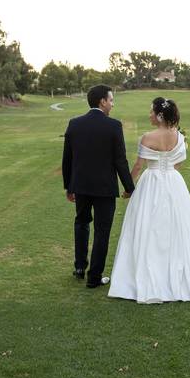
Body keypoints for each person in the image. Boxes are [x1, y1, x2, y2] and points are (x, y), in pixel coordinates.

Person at [108, 97, 190, 303]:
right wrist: (168, 173)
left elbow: (139, 166)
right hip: (174, 183)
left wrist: (129, 188)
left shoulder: (147, 137)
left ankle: (148, 272)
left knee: (148, 227)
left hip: (151, 182)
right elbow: (178, 163)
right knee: (179, 226)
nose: (149, 115)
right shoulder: (180, 137)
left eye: (151, 112)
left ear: (159, 115)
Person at [62, 85, 135, 288]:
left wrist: (69, 186)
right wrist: (130, 187)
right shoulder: (113, 126)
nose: (112, 104)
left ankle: (79, 267)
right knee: (102, 231)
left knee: (81, 223)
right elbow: (120, 161)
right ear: (102, 101)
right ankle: (94, 277)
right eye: (111, 100)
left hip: (81, 187)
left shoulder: (74, 124)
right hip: (104, 188)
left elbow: (67, 159)